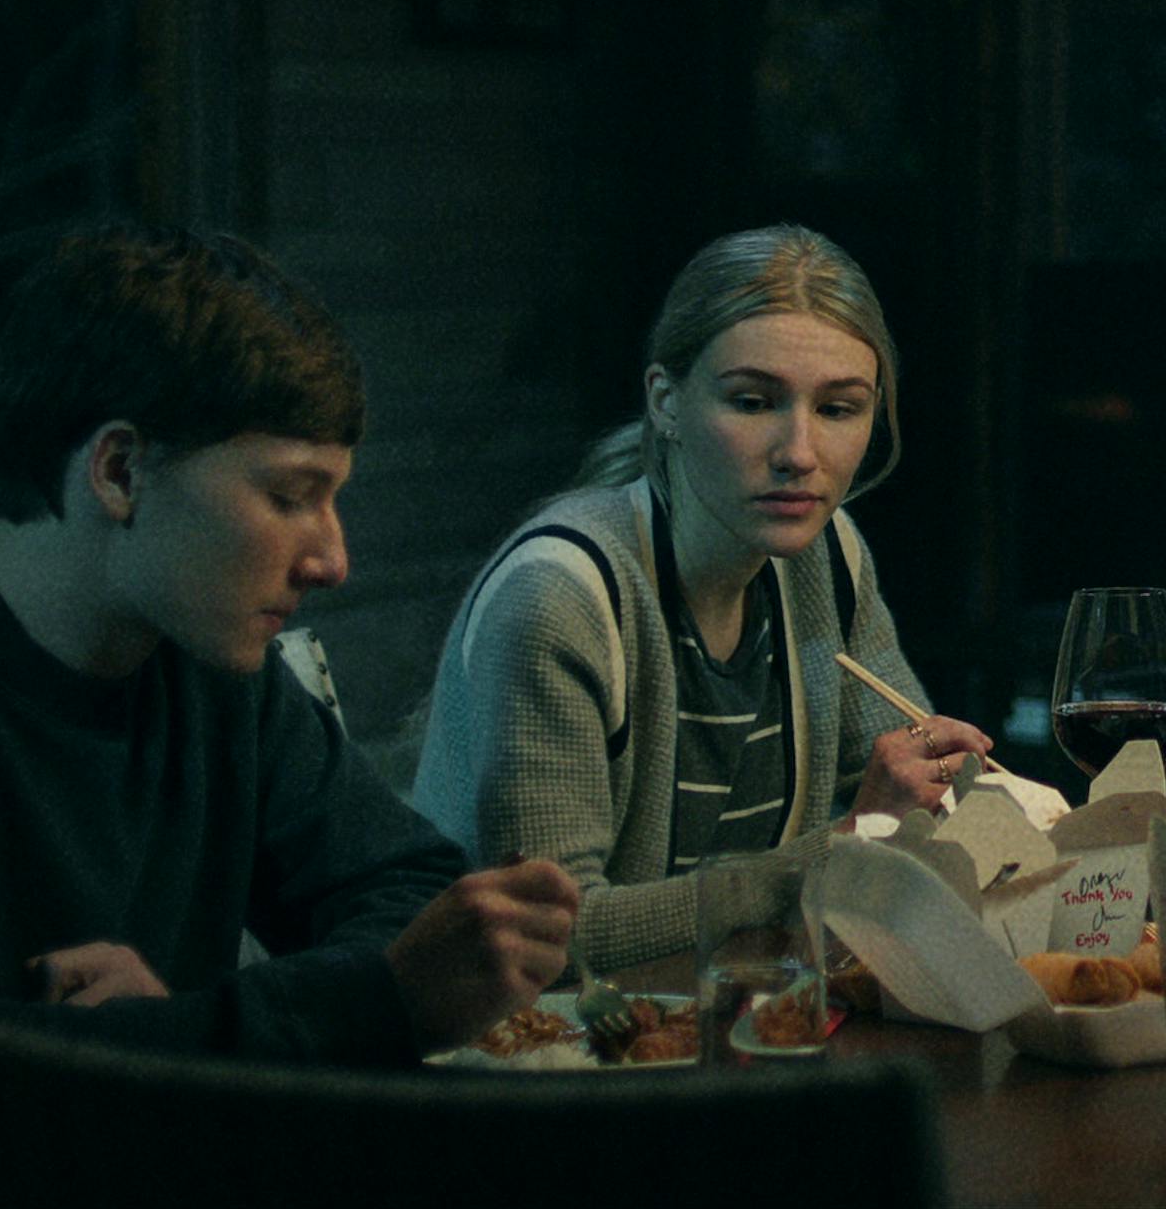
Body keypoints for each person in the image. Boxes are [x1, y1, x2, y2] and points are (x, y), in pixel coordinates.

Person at [0, 227, 577, 1084]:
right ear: (119, 471)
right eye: (289, 495)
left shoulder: (214, 669)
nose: (333, 563)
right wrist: (305, 1013)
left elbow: (412, 890)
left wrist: (168, 1033)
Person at [413, 225, 990, 973]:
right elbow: (556, 940)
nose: (800, 453)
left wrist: (947, 787)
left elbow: (906, 800)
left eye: (840, 409)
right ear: (666, 401)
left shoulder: (827, 557)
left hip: (727, 1024)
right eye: (753, 401)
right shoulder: (559, 597)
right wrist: (838, 850)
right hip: (530, 1059)